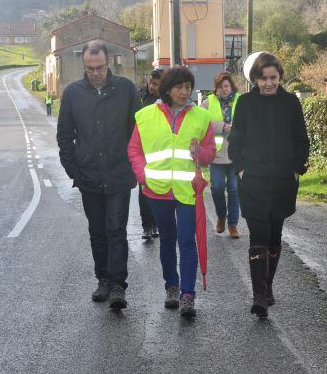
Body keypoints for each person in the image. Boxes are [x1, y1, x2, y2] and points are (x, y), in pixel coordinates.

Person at [56, 41, 141, 311]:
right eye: (90, 68)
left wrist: (135, 164)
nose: (95, 73)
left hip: (119, 173)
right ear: (84, 65)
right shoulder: (72, 93)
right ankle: (103, 279)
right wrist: (74, 169)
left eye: (100, 68)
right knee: (98, 231)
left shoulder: (126, 89)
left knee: (116, 229)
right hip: (89, 175)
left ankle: (118, 286)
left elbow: (139, 130)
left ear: (109, 63)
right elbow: (64, 135)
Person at [127, 66, 216, 318]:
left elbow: (209, 153)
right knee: (167, 240)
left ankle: (188, 294)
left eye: (188, 86)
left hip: (188, 191)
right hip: (157, 190)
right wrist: (143, 175)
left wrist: (200, 152)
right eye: (180, 87)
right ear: (167, 89)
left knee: (187, 241)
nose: (185, 91)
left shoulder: (201, 116)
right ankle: (171, 287)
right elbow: (134, 150)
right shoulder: (145, 116)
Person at [228, 53, 309, 319]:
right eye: (263, 78)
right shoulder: (246, 103)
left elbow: (301, 137)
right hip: (253, 179)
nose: (268, 83)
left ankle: (268, 285)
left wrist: (298, 167)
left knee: (275, 236)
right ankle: (259, 295)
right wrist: (240, 166)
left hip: (283, 179)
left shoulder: (290, 103)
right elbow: (236, 137)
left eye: (273, 78)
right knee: (258, 234)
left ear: (280, 77)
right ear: (255, 79)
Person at [201, 72, 241, 238]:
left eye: (226, 86)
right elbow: (201, 122)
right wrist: (222, 126)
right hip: (216, 154)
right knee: (217, 188)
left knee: (234, 189)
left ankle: (232, 224)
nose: (224, 89)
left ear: (231, 86)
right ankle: (221, 216)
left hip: (237, 153)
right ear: (215, 89)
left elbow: (250, 120)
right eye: (220, 87)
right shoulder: (207, 102)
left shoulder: (241, 100)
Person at [137, 69, 163, 240]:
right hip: (141, 148)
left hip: (160, 149)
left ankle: (156, 224)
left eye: (156, 84)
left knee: (158, 188)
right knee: (144, 187)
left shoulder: (165, 101)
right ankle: (147, 225)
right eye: (151, 82)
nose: (151, 86)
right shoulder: (138, 96)